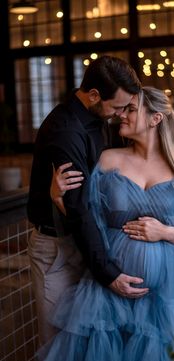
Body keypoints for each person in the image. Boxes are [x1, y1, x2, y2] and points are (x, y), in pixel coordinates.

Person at [39, 86, 174, 361]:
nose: (121, 115)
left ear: (155, 118)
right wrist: (58, 199)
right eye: (122, 109)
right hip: (108, 286)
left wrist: (165, 231)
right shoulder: (107, 160)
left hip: (166, 295)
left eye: (130, 110)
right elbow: (87, 220)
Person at [27, 55, 149, 346]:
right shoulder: (65, 130)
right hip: (56, 248)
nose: (121, 114)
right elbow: (79, 208)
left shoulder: (101, 119)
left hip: (88, 241)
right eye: (118, 107)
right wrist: (108, 274)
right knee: (57, 342)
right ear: (94, 95)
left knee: (90, 340)